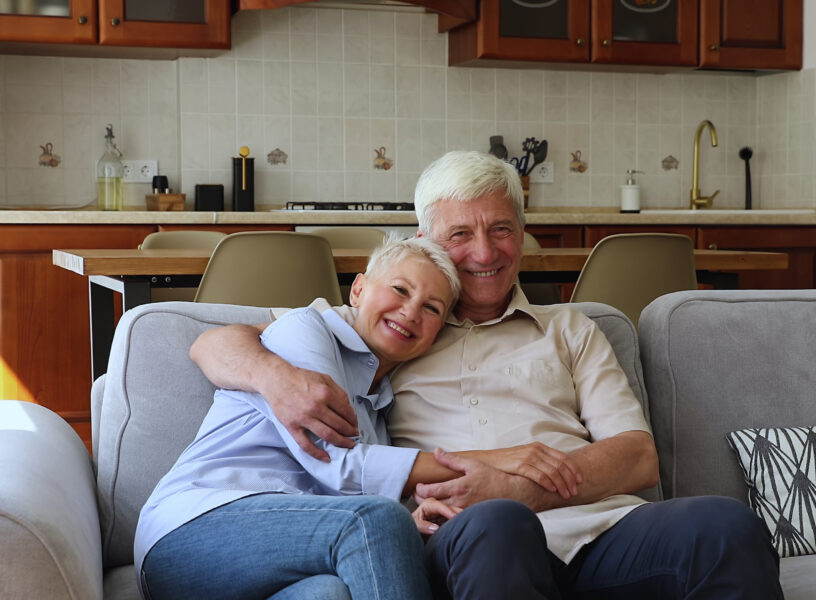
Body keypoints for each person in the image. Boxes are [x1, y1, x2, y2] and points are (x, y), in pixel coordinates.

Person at [191, 151, 784, 599]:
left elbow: (637, 458)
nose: (484, 252)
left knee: (725, 523)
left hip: (601, 531)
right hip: (472, 536)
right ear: (428, 242)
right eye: (460, 234)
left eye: (501, 228)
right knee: (499, 524)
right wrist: (273, 375)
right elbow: (216, 340)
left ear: (521, 236)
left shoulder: (570, 329)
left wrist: (518, 489)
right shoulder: (398, 326)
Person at [136, 235, 576, 599]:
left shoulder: (380, 407)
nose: (410, 311)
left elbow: (348, 495)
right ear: (359, 289)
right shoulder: (304, 331)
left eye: (432, 309)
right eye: (401, 290)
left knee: (331, 594)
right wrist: (503, 459)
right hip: (194, 528)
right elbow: (337, 465)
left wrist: (409, 523)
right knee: (375, 520)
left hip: (275, 562)